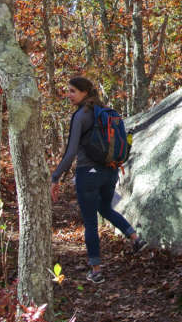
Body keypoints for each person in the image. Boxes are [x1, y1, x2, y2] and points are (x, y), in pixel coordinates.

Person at [51, 76, 146, 284]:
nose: (69, 95)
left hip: (89, 174)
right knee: (105, 209)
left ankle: (96, 270)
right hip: (110, 172)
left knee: (91, 222)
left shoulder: (81, 116)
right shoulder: (106, 112)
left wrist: (55, 177)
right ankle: (135, 238)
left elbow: (70, 153)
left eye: (72, 91)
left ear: (85, 92)